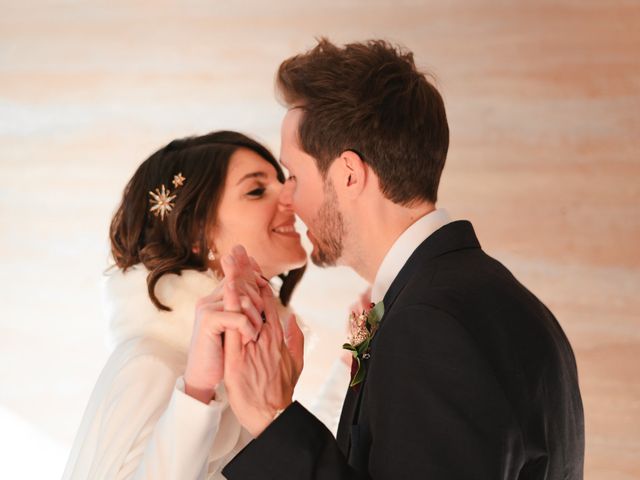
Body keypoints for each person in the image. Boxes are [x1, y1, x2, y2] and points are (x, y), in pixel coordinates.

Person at [218, 39, 585, 479]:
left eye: (294, 175)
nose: (288, 199)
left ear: (349, 174)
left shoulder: (431, 323)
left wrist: (274, 421)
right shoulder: (494, 297)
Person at [61, 130, 348, 479]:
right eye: (257, 190)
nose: (289, 197)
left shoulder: (245, 366)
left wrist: (350, 364)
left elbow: (291, 465)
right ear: (196, 231)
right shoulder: (153, 364)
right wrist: (195, 393)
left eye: (282, 181)